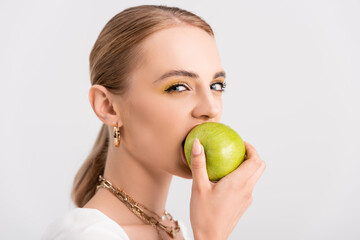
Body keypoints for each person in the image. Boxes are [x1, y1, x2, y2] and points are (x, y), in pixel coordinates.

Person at [42, 4, 266, 240]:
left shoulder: (177, 231)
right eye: (178, 87)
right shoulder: (85, 235)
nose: (211, 108)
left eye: (216, 86)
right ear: (108, 106)